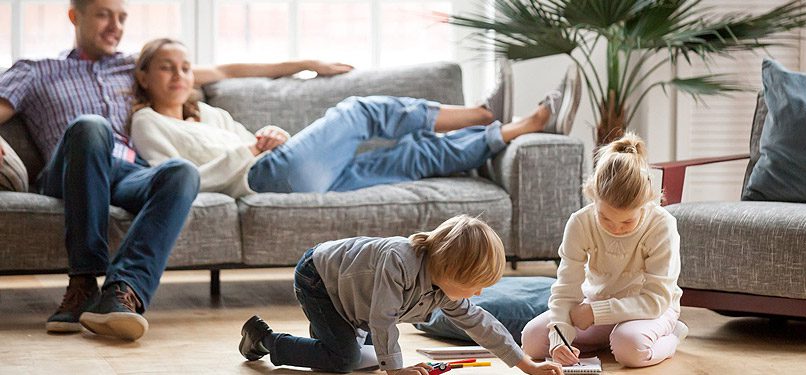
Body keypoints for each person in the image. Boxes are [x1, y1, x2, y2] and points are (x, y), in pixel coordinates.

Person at [0, 0, 352, 341]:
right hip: (70, 172)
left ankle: (123, 293)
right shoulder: (36, 69)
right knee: (92, 126)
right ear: (74, 16)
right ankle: (83, 282)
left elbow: (227, 72)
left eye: (121, 17)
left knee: (181, 172)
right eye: (104, 15)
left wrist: (308, 62)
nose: (115, 26)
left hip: (126, 172)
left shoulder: (132, 66)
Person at [128, 38, 572, 197]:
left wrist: (272, 135)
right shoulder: (147, 123)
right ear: (144, 76)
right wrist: (251, 151)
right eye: (166, 67)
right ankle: (480, 112)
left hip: (285, 169)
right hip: (263, 178)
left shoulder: (208, 113)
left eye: (185, 67)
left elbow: (253, 139)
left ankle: (513, 128)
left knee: (410, 157)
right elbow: (174, 179)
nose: (179, 75)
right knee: (359, 111)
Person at [238, 215, 564, 374]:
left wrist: (527, 365)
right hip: (319, 278)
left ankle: (330, 338)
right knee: (345, 360)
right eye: (474, 285)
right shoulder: (399, 261)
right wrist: (397, 370)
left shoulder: (445, 288)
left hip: (353, 298)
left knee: (366, 363)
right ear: (450, 271)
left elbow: (481, 323)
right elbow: (383, 319)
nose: (478, 293)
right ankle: (266, 340)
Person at [520, 133, 688, 368]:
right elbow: (566, 290)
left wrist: (595, 313)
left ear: (647, 202)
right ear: (593, 196)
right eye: (605, 218)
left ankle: (669, 338)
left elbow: (655, 300)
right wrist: (560, 340)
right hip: (596, 305)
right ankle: (606, 339)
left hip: (650, 310)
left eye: (627, 222)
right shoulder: (580, 222)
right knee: (532, 341)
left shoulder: (662, 225)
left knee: (630, 349)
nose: (616, 229)